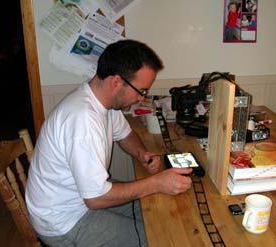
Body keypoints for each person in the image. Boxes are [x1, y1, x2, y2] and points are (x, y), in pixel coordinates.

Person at [25, 39, 193, 247]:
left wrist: (141, 154)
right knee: (159, 236)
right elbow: (96, 199)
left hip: (81, 201)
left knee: (159, 212)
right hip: (64, 222)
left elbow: (125, 134)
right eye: (141, 91)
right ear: (116, 82)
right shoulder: (83, 120)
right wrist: (157, 183)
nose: (142, 98)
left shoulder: (102, 102)